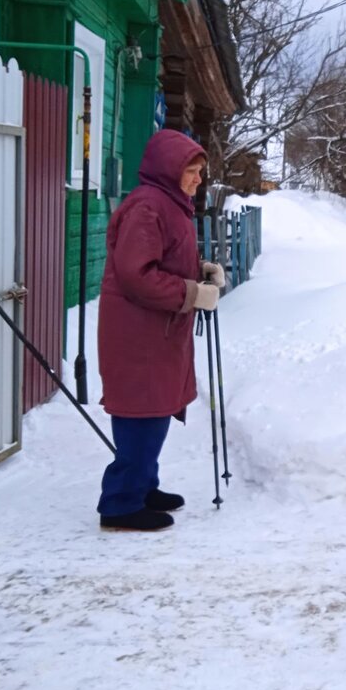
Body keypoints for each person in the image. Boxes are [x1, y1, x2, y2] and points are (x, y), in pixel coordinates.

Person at [96, 129, 224, 531]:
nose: (198, 179)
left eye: (200, 171)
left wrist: (199, 272)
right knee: (141, 415)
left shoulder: (170, 204)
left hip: (158, 331)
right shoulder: (147, 208)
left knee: (155, 412)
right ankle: (119, 503)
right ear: (170, 169)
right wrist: (191, 293)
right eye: (192, 170)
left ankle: (143, 487)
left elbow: (165, 257)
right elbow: (137, 275)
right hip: (139, 334)